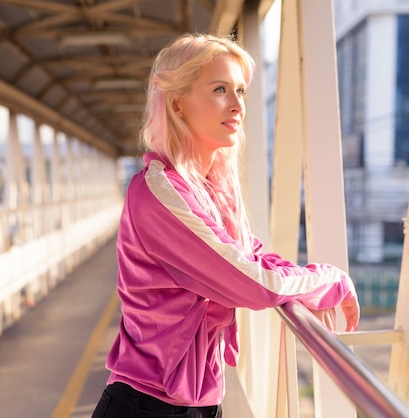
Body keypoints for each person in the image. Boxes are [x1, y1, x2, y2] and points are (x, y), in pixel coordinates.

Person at [91, 33, 360, 418]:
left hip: (194, 402)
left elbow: (252, 254)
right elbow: (253, 282)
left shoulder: (206, 190)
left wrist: (302, 283)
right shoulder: (158, 192)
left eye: (240, 91)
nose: (237, 106)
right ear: (178, 103)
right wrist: (327, 280)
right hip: (147, 405)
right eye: (220, 89)